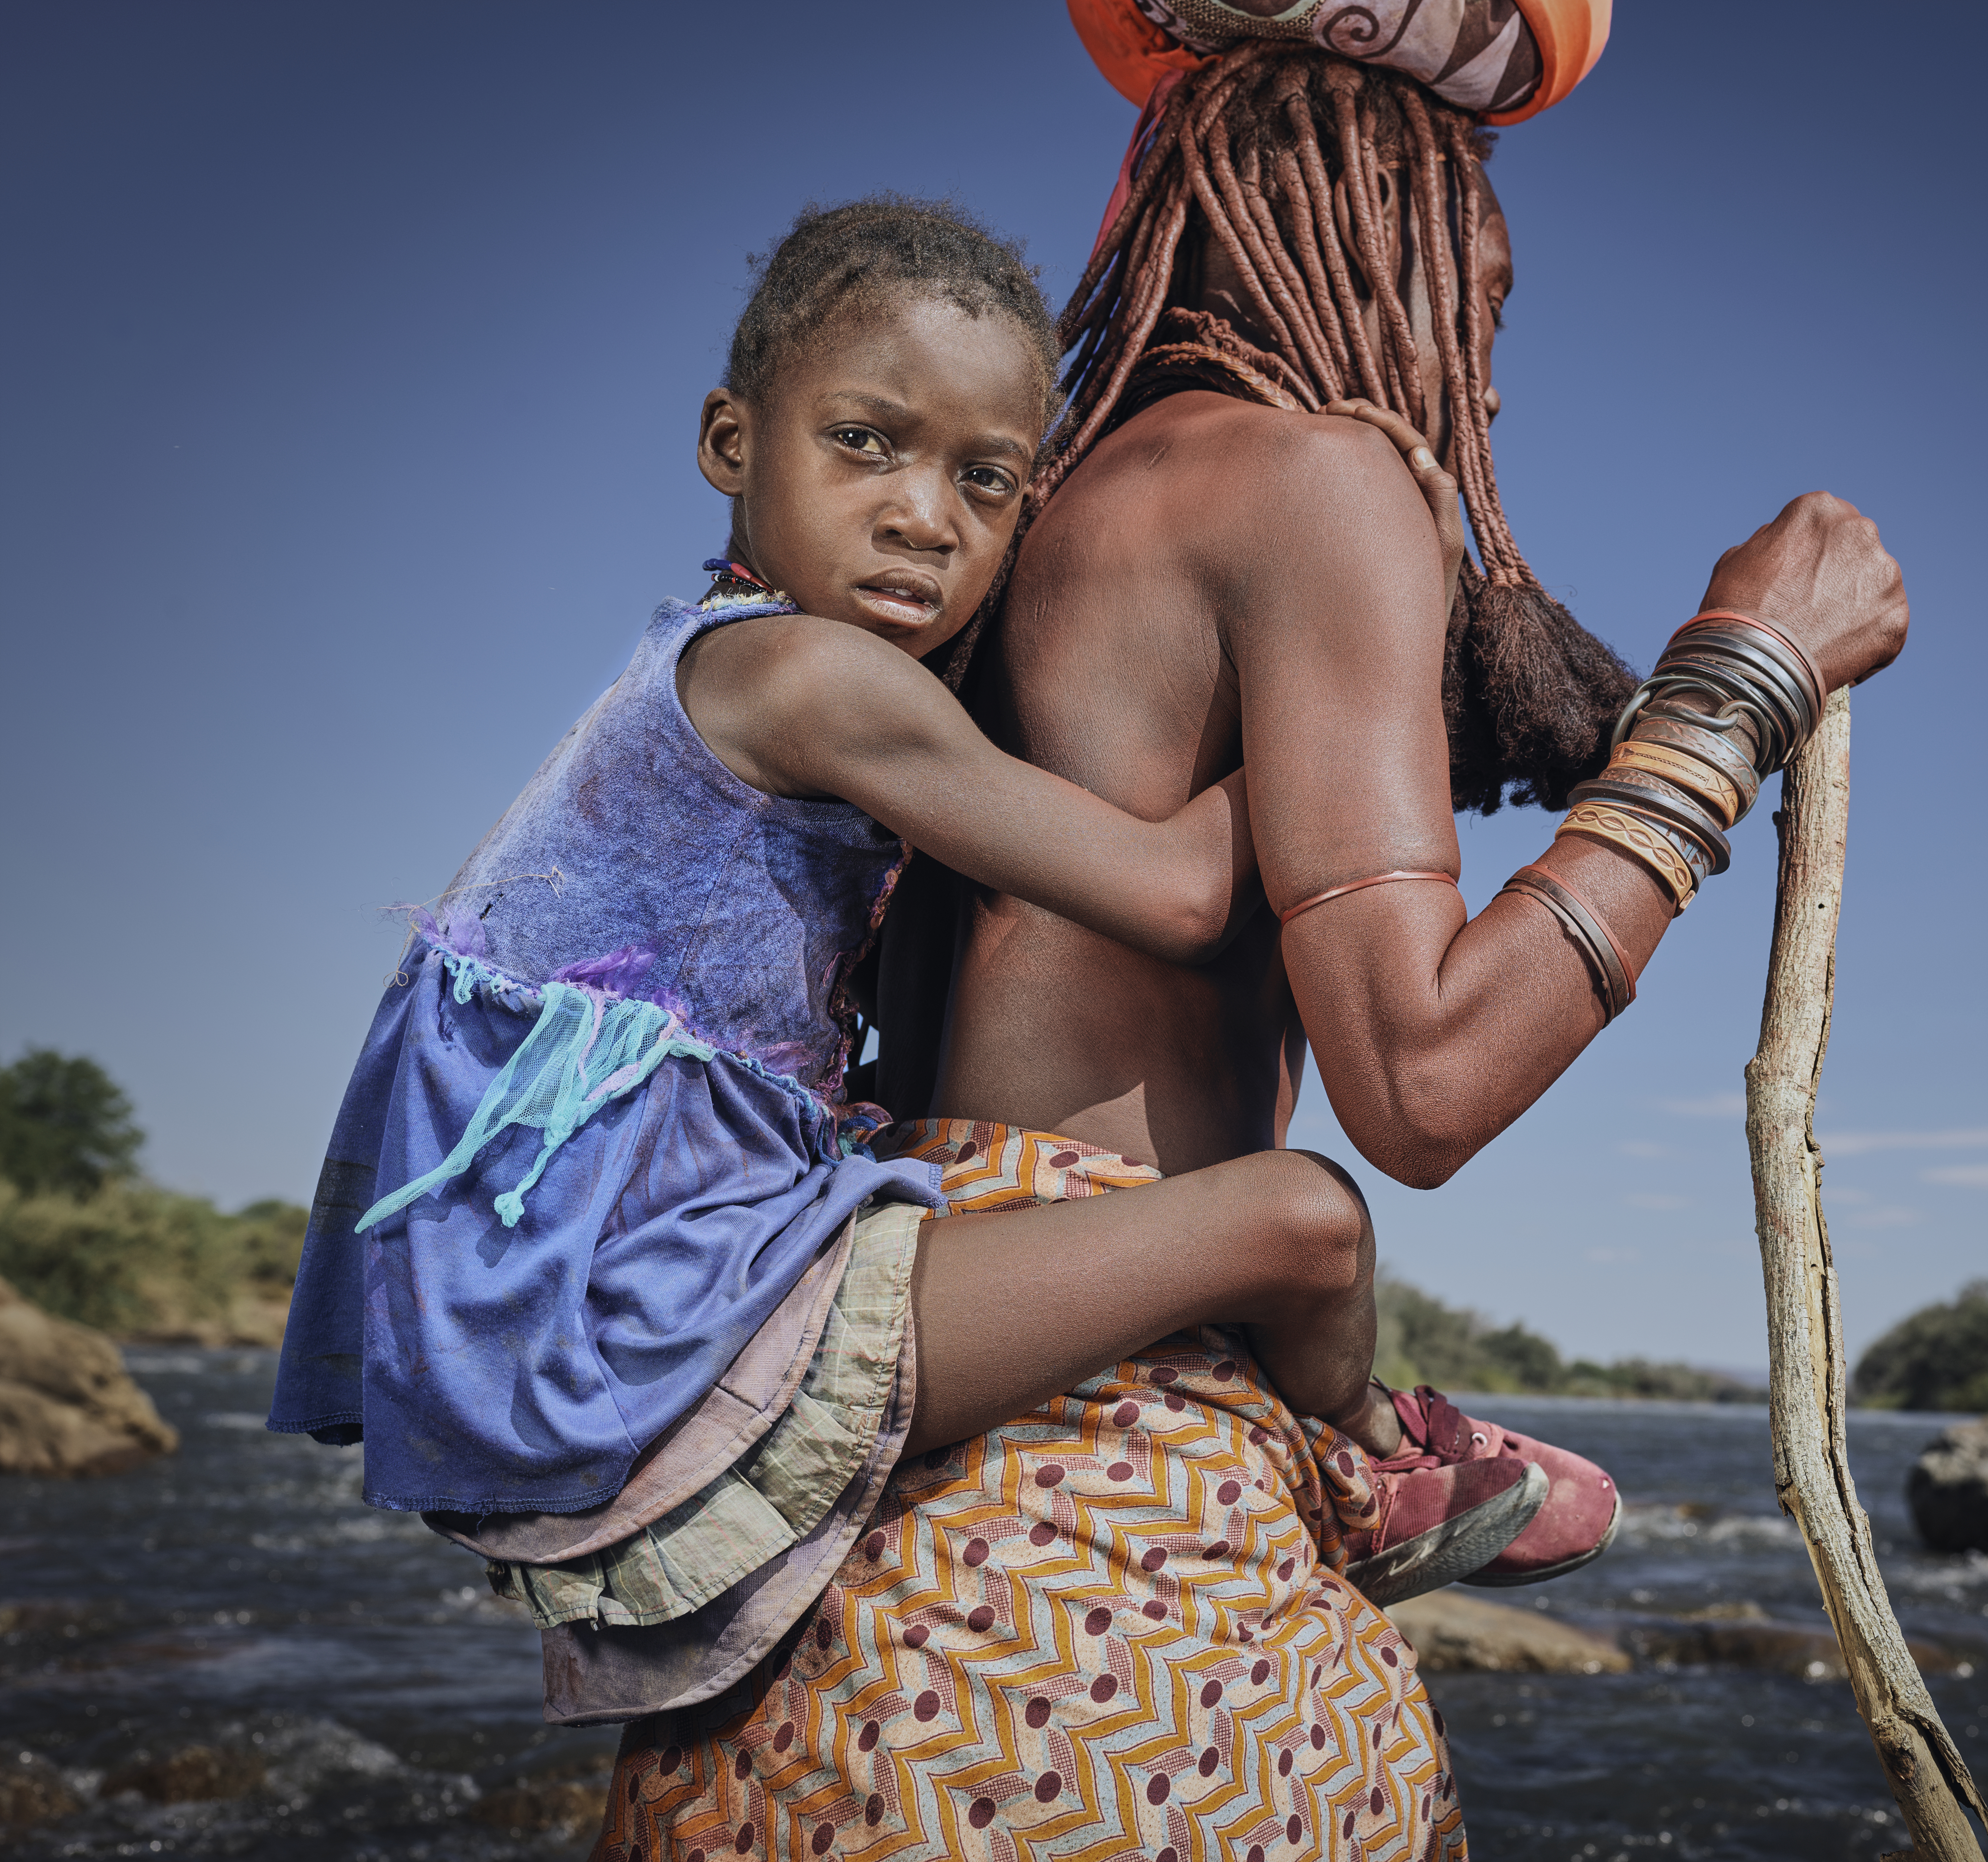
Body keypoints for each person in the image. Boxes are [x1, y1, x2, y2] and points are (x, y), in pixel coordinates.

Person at [594, 7, 1905, 1860]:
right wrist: (1738, 687)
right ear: (1388, 249)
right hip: (1104, 1567)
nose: (1493, 385)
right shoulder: (1317, 482)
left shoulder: (1004, 524)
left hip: (842, 1543)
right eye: (1484, 300)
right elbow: (1425, 1081)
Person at [266, 196, 1583, 1727]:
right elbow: (1164, 889)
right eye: (866, 444)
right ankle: (1373, 1455)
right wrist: (1359, 690)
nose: (923, 516)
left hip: (607, 1258)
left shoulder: (745, 658)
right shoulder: (811, 677)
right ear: (730, 441)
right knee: (1306, 1214)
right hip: (645, 1283)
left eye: (985, 479)